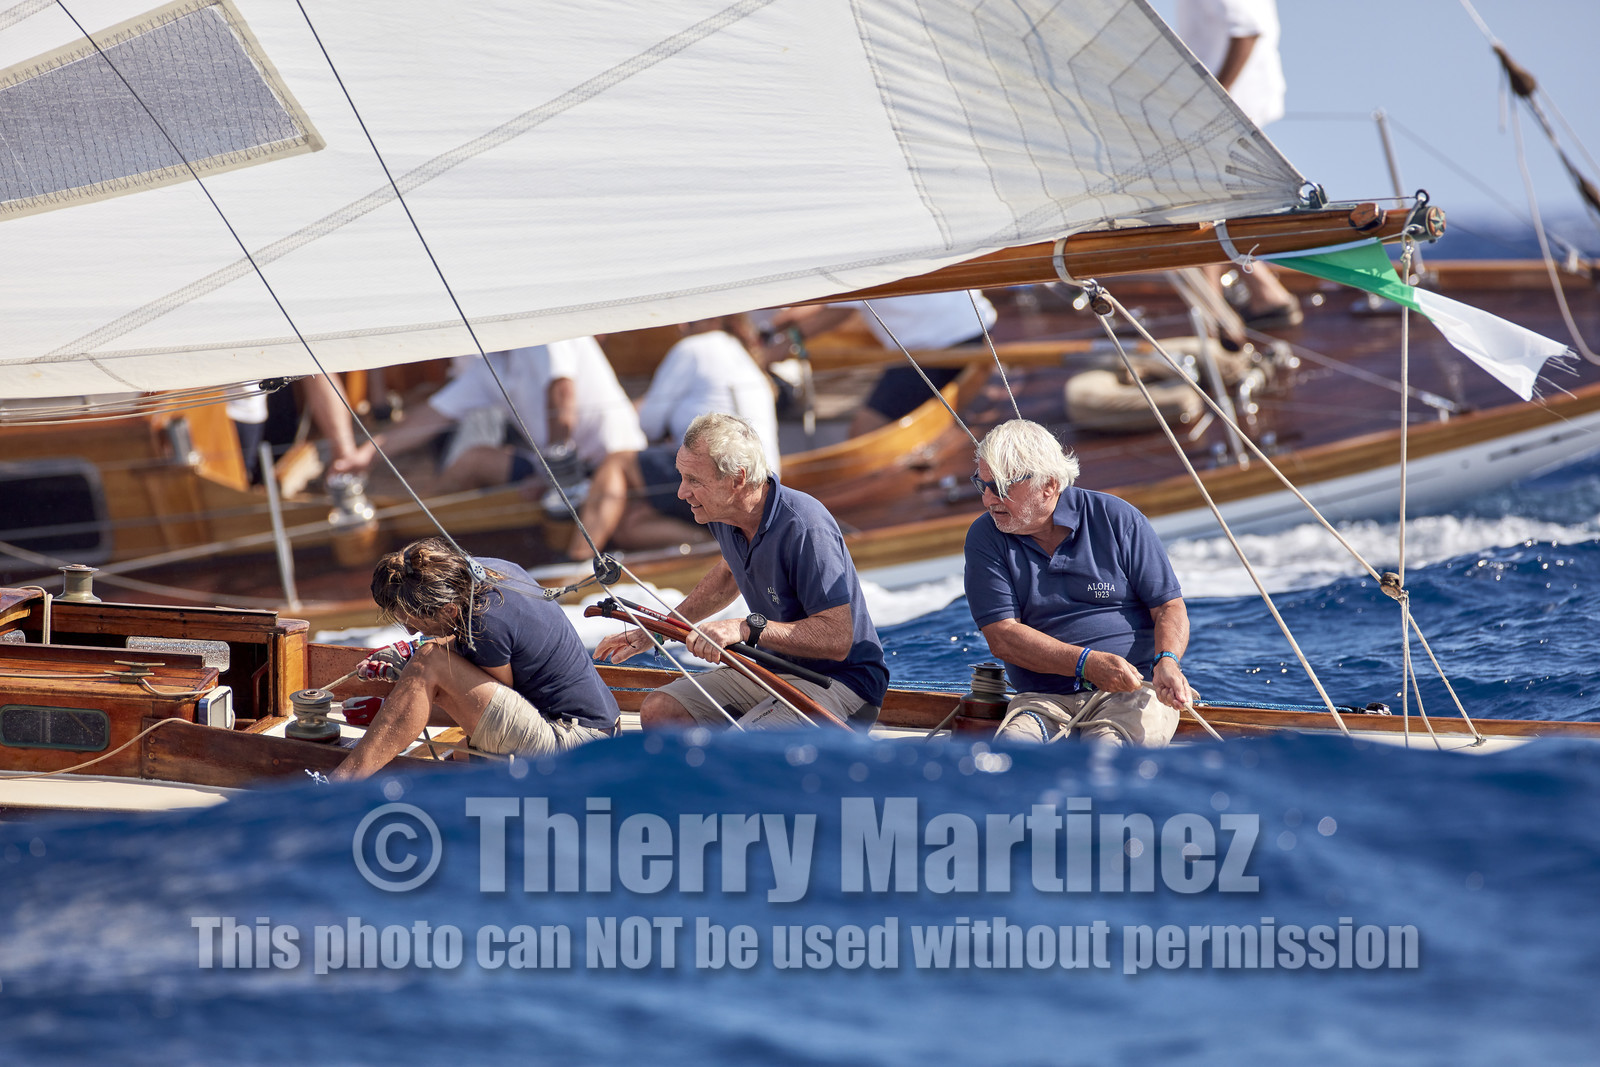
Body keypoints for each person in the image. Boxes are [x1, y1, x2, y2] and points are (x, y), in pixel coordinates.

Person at [594, 412, 887, 730]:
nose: (682, 492)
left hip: (841, 684)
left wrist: (747, 628)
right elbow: (728, 574)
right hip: (772, 670)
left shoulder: (804, 526)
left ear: (737, 480)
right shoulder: (724, 513)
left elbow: (836, 638)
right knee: (660, 710)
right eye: (682, 477)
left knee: (742, 746)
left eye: (694, 481)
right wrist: (654, 631)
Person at [963, 419, 1196, 746]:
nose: (988, 500)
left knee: (1104, 754)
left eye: (1001, 487)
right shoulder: (986, 536)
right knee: (1011, 759)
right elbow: (1003, 637)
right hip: (1040, 701)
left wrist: (1167, 661)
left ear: (1049, 484)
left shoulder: (1117, 518)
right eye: (982, 485)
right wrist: (1086, 664)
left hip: (1131, 693)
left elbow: (1169, 606)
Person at [329, 538, 618, 780]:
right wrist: (408, 662)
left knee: (428, 661)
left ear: (450, 611)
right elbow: (486, 703)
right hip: (593, 728)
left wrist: (392, 713)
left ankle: (340, 784)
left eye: (414, 623)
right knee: (456, 755)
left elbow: (480, 709)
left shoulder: (486, 624)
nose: (412, 631)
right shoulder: (486, 572)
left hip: (576, 746)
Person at [339, 339, 647, 560]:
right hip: (556, 471)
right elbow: (430, 416)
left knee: (623, 522)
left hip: (616, 461)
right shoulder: (490, 367)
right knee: (471, 462)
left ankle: (576, 565)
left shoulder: (544, 336)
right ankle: (425, 554)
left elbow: (562, 393)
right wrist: (365, 455)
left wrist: (555, 469)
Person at [1176, 0, 1302, 330]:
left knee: (1198, 206)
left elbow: (1246, 30)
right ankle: (1260, 295)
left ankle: (1215, 316)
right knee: (1210, 205)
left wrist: (1216, 99)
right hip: (1229, 103)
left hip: (1226, 105)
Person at [608, 316, 782, 552]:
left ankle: (578, 561)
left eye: (689, 320)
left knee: (617, 463)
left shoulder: (692, 348)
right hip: (763, 488)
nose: (681, 326)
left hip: (720, 476)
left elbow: (648, 424)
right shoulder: (744, 356)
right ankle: (716, 545)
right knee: (629, 523)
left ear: (714, 319)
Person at [768, 291, 997, 436]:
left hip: (932, 350)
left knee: (864, 431)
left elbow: (838, 309)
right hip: (980, 331)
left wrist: (779, 341)